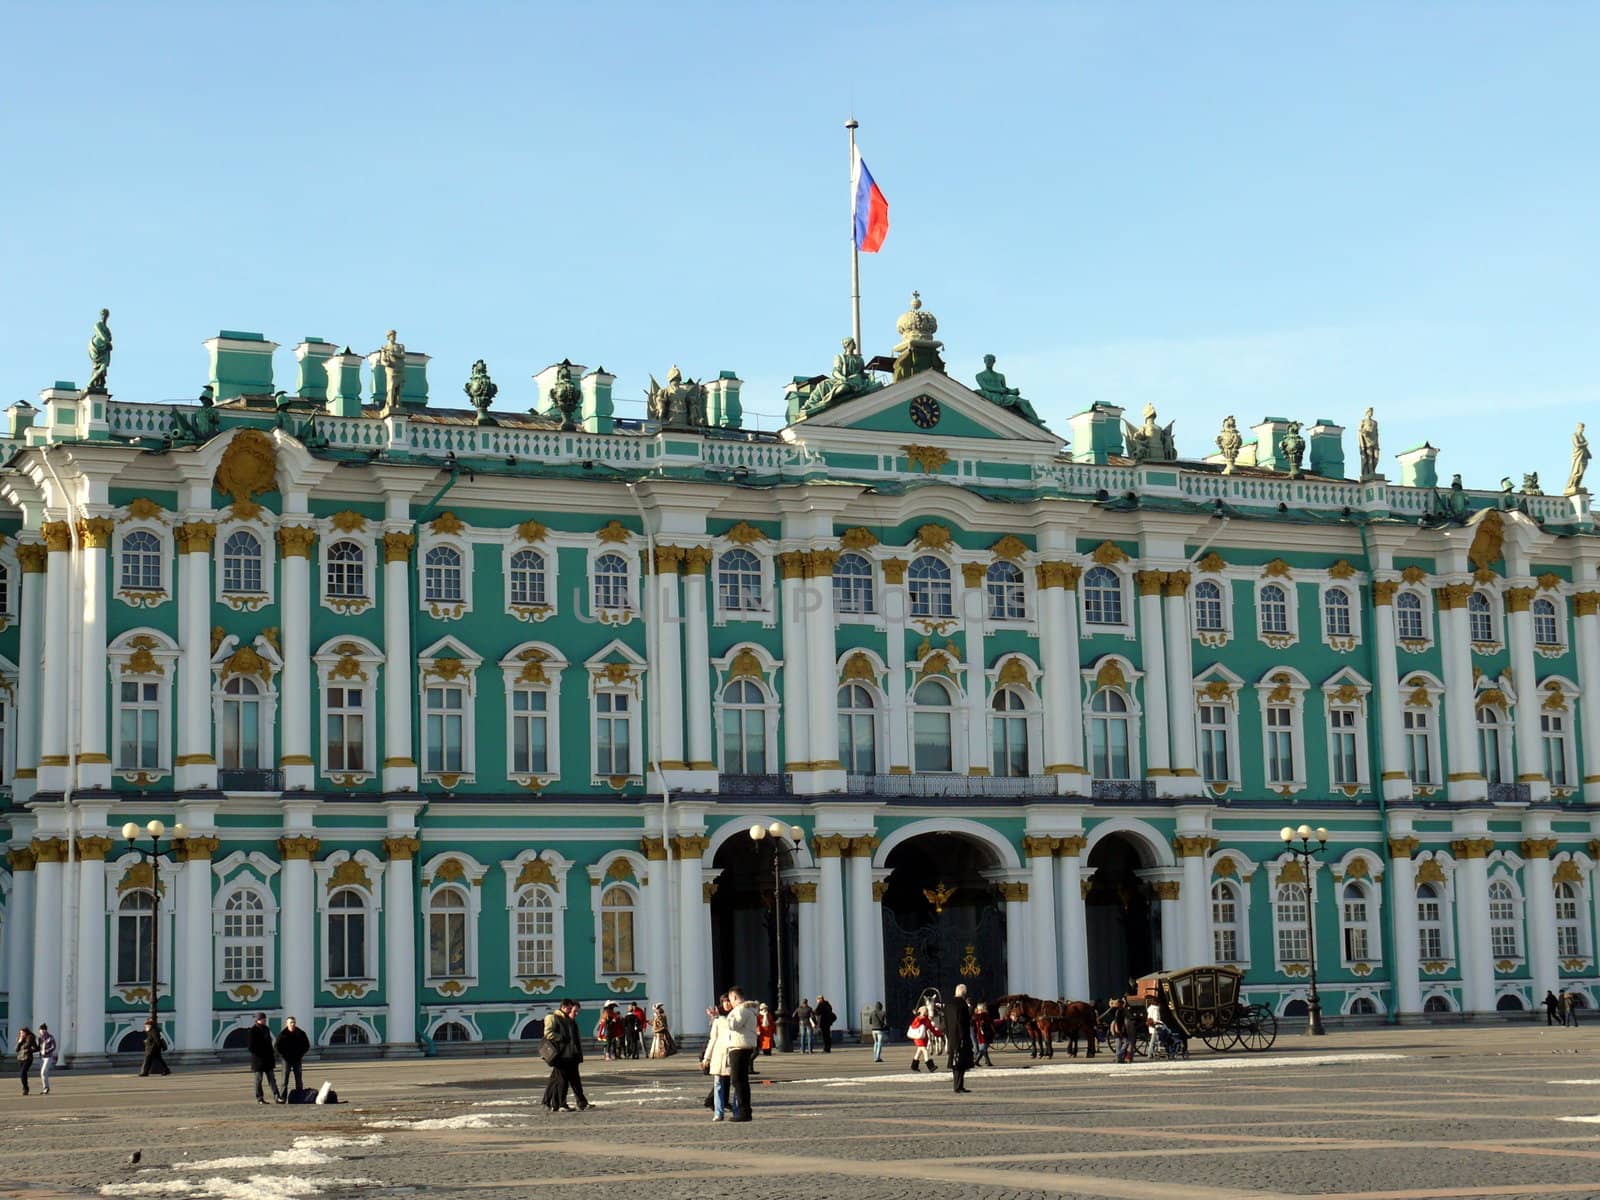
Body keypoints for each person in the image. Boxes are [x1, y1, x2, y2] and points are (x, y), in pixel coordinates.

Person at [543, 999, 589, 1112]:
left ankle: (551, 1103)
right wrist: (562, 1038)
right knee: (561, 1080)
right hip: (560, 1055)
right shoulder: (553, 1017)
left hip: (570, 1055)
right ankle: (558, 1104)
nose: (572, 1012)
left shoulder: (569, 1019)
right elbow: (548, 1034)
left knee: (561, 1079)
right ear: (563, 1007)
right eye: (570, 1009)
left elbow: (574, 1038)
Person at [724, 986, 759, 1122]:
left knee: (738, 1080)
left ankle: (744, 1111)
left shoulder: (741, 1010)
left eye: (730, 999)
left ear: (734, 997)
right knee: (741, 1080)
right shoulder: (746, 1009)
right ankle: (744, 1111)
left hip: (740, 1047)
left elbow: (733, 1025)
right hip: (742, 1046)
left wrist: (728, 1014)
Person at [701, 997, 737, 1121]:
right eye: (724, 1002)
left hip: (733, 1053)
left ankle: (736, 1111)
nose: (726, 1004)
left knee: (736, 1084)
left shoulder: (738, 1016)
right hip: (719, 1054)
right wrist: (707, 1058)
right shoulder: (718, 1020)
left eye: (729, 1001)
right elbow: (713, 1040)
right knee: (718, 1084)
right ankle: (718, 1112)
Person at [247, 1012, 281, 1105]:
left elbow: (269, 1043)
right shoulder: (252, 1030)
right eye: (263, 1019)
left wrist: (272, 1053)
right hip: (258, 1060)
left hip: (268, 1060)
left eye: (265, 1019)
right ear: (258, 1020)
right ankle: (260, 1098)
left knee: (272, 1080)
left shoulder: (266, 1029)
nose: (265, 1020)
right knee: (258, 1080)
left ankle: (277, 1096)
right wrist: (261, 1052)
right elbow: (251, 1047)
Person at [275, 1016, 310, 1098]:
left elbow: (306, 1045)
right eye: (290, 1022)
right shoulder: (282, 1034)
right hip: (286, 1060)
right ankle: (283, 1097)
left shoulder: (301, 1033)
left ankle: (300, 1096)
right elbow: (276, 1047)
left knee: (298, 1079)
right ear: (287, 1024)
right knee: (284, 1080)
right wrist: (282, 1056)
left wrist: (300, 1054)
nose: (292, 1024)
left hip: (297, 1059)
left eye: (294, 1022)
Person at [909, 1006, 939, 1072]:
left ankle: (914, 1066)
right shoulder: (919, 1019)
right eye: (926, 1011)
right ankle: (931, 1066)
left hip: (924, 1038)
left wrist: (939, 1034)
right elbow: (915, 1025)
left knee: (919, 1052)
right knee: (925, 1051)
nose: (927, 1012)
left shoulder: (926, 1020)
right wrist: (917, 1015)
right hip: (919, 1038)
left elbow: (932, 1029)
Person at [1108, 999, 1134, 1063]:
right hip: (1121, 1029)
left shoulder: (1115, 1011)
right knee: (1126, 1042)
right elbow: (1121, 1020)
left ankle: (1118, 1058)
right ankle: (1119, 1055)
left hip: (1116, 1029)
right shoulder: (1122, 1011)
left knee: (1118, 1044)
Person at [15, 1026, 37, 1095]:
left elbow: (36, 1048)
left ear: (26, 1032)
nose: (22, 1034)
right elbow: (16, 1050)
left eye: (23, 1033)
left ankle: (25, 1088)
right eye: (20, 1033)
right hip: (20, 1058)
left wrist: (29, 1050)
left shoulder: (30, 1038)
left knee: (23, 1072)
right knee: (23, 1074)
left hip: (28, 1058)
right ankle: (25, 1088)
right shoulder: (20, 1039)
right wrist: (19, 1042)